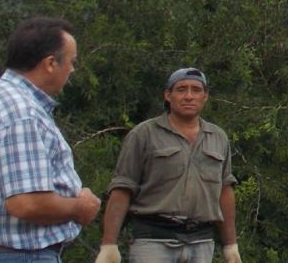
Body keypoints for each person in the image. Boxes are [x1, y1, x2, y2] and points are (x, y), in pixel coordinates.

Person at [0, 17, 101, 261]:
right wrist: (80, 208)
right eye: (72, 62)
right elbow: (26, 203)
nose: (73, 70)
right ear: (51, 63)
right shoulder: (22, 114)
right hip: (23, 256)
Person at [95, 68, 241, 263]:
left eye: (196, 90)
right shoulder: (144, 134)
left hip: (201, 242)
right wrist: (109, 244)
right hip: (154, 241)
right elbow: (122, 188)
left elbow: (225, 191)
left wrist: (231, 245)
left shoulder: (218, 138)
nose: (189, 96)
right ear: (168, 95)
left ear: (205, 96)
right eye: (181, 89)